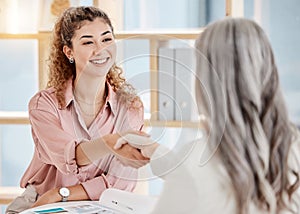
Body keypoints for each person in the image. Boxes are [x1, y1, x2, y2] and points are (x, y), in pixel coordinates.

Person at [115, 18, 300, 213]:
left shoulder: (195, 165)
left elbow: (197, 175)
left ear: (208, 81)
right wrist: (154, 151)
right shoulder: (292, 145)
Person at [6, 6, 149, 214]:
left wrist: (60, 193)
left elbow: (120, 182)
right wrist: (110, 143)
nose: (100, 49)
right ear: (69, 51)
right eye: (88, 42)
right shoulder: (44, 105)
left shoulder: (130, 107)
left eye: (106, 39)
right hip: (40, 205)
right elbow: (70, 158)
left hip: (97, 207)